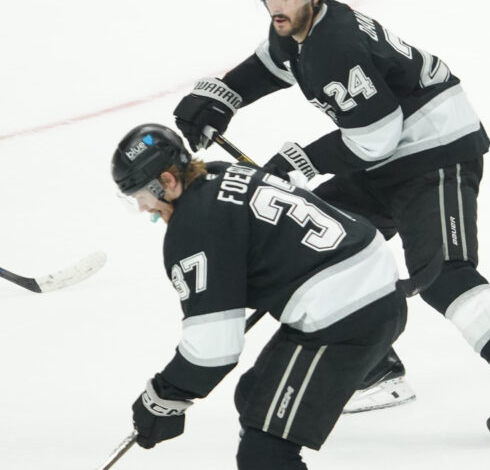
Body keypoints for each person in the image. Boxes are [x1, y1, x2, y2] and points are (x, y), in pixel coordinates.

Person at [170, 0, 490, 443]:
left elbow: (376, 138)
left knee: (444, 273)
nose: (275, 5)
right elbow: (271, 65)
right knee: (311, 243)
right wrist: (223, 96)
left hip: (435, 150)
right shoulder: (300, 30)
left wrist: (302, 161)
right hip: (386, 154)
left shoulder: (334, 45)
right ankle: (377, 366)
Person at [110, 123, 407, 469]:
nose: (145, 209)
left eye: (141, 198)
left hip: (344, 315)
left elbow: (214, 348)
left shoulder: (192, 227)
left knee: (263, 456)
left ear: (168, 181)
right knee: (255, 395)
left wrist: (164, 397)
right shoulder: (221, 173)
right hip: (368, 283)